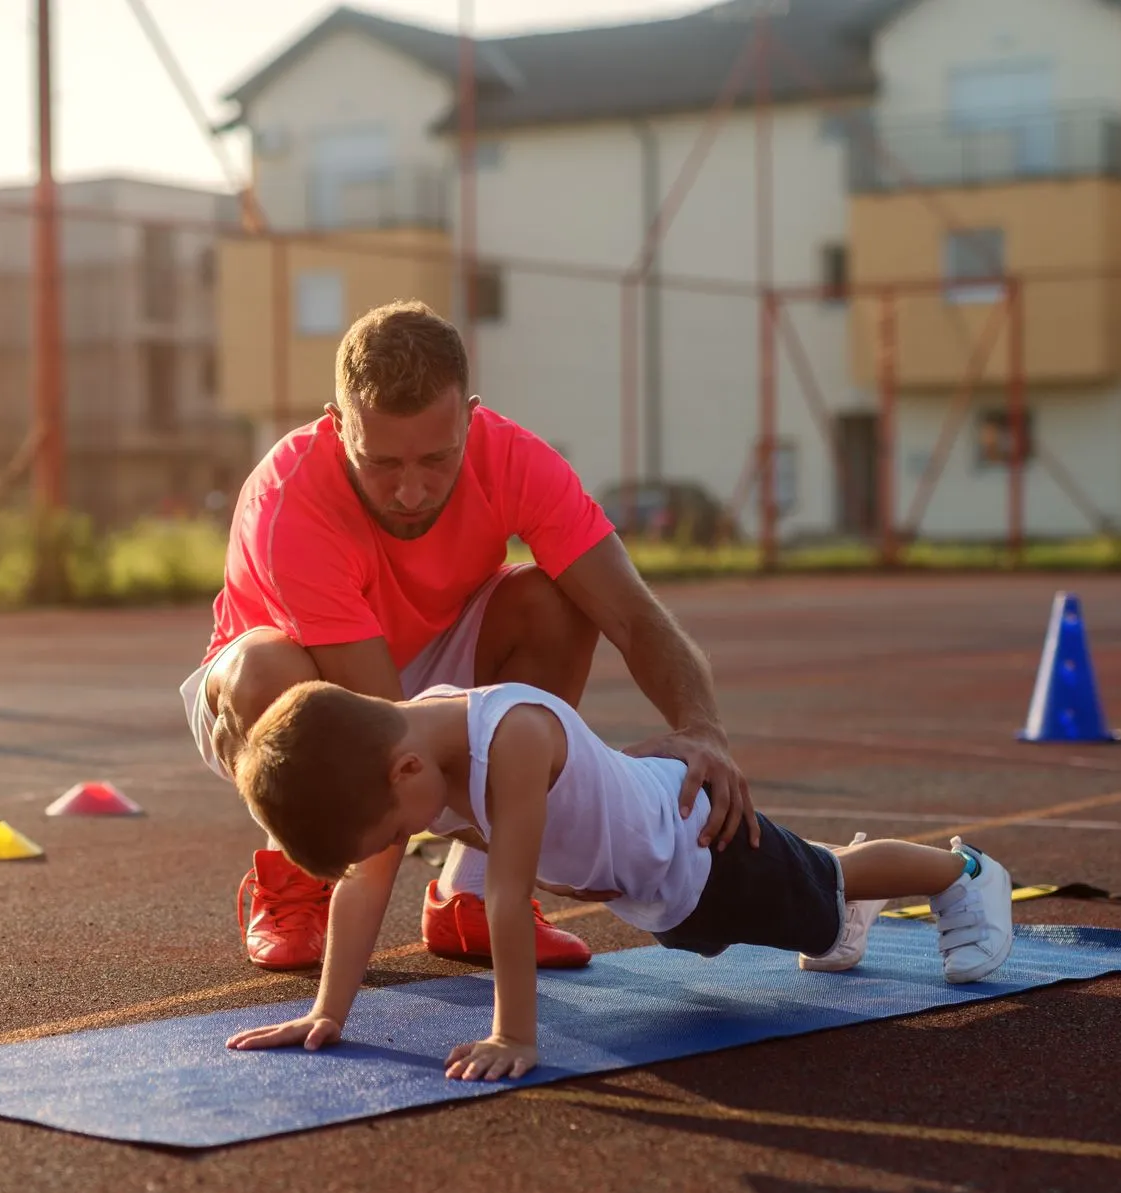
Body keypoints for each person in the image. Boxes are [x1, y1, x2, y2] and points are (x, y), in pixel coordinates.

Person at [184, 300, 754, 973]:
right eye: (382, 463)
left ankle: (473, 896)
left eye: (436, 458)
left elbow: (633, 614)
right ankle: (296, 882)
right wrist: (542, 832)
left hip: (428, 659)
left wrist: (703, 728)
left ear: (469, 416)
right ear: (339, 427)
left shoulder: (514, 459)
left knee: (555, 602)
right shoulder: (290, 502)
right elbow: (382, 735)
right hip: (289, 696)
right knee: (267, 669)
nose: (410, 491)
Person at [223, 681, 1016, 1082]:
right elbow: (363, 888)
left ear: (403, 770)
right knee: (807, 909)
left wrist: (514, 1036)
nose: (404, 844)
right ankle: (845, 899)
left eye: (398, 832)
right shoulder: (404, 758)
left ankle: (965, 872)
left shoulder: (511, 737)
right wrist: (327, 1011)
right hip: (660, 892)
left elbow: (505, 893)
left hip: (702, 844)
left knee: (827, 889)